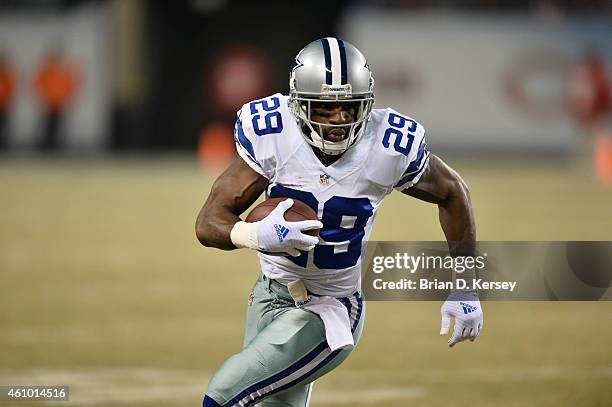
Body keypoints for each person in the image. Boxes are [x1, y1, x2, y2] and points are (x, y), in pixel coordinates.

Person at [196, 37, 483, 407]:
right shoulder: (274, 133)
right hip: (269, 295)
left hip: (330, 309)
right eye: (324, 109)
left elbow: (453, 193)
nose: (338, 122)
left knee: (224, 393)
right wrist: (254, 234)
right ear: (299, 104)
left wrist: (465, 285)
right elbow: (208, 222)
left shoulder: (388, 144)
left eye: (348, 109)